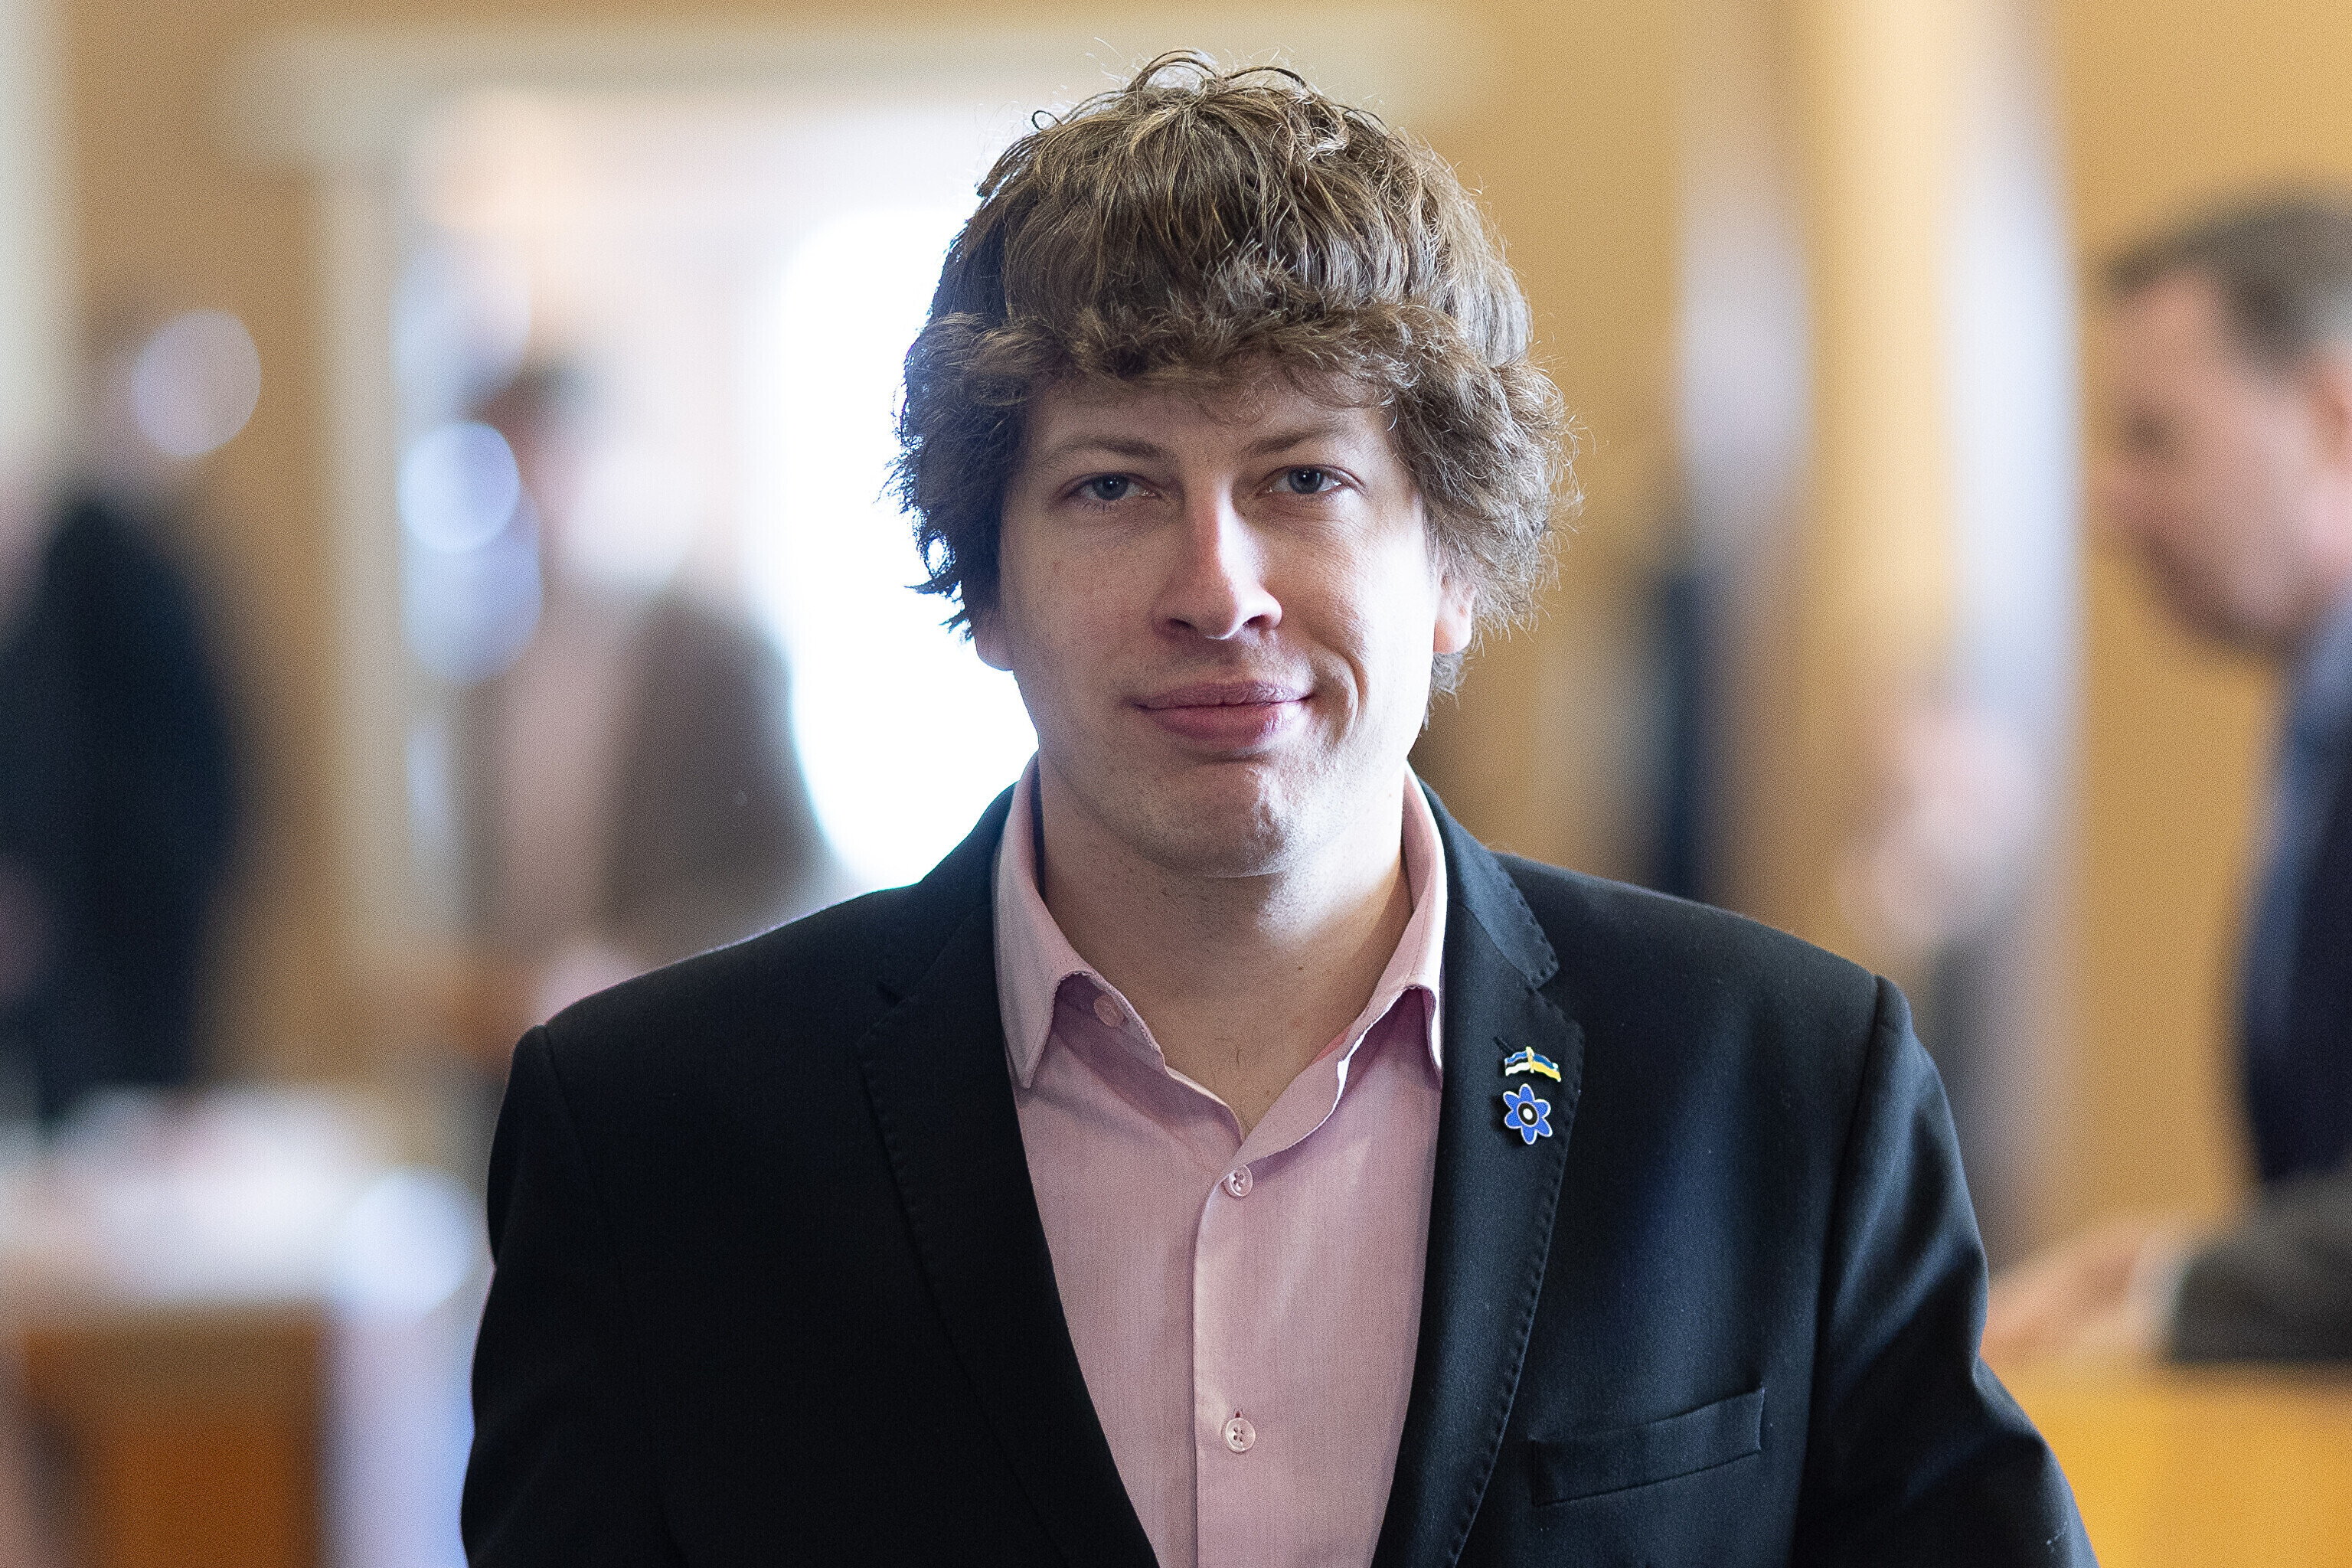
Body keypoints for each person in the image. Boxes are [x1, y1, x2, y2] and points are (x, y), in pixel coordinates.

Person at [463, 57, 2090, 1564]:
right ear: (987, 587)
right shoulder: (653, 1140)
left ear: (1452, 565)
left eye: (1305, 478)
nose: (1217, 587)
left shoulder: (1783, 1088)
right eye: (1112, 486)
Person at [1984, 196, 2352, 1365]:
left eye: (2156, 439)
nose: (2110, 500)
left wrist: (2175, 1290)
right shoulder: (2315, 724)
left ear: (2331, 423)